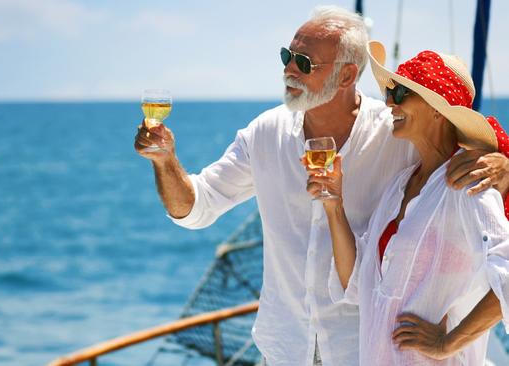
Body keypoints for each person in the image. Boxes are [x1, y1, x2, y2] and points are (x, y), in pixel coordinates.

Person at [134, 6, 509, 366]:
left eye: (305, 62)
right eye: (287, 56)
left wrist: (503, 166)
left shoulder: (397, 135)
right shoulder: (266, 133)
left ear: (347, 76)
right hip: (284, 347)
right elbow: (196, 207)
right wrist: (166, 162)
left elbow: (456, 164)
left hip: (363, 350)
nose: (290, 71)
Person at [306, 40, 509, 365]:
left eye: (400, 94)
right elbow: (356, 282)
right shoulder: (399, 185)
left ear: (437, 109)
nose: (388, 102)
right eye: (389, 92)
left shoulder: (470, 183)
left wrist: (447, 343)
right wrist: (334, 205)